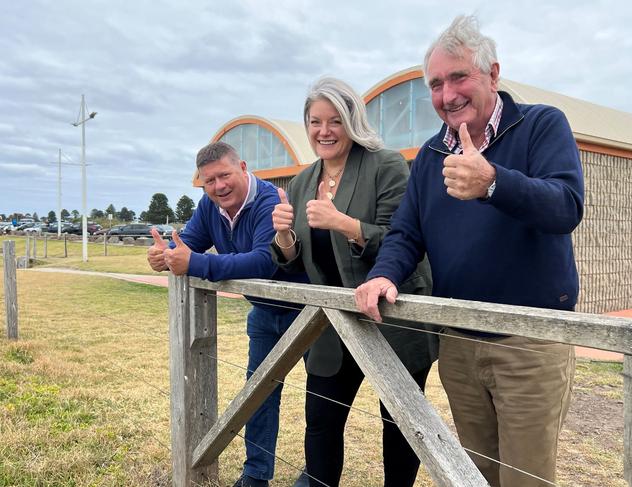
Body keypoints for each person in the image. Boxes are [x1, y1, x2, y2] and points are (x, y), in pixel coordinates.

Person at [355, 15, 584, 487]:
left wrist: (493, 182)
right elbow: (405, 234)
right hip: (458, 342)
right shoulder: (431, 156)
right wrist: (385, 275)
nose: (447, 94)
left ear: (493, 74)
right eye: (436, 84)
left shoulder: (541, 125)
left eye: (460, 76)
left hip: (529, 341)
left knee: (526, 477)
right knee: (471, 474)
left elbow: (566, 206)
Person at [271, 77, 437, 487]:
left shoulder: (387, 164)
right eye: (315, 122)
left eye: (335, 122)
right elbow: (297, 264)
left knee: (399, 427)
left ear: (352, 122)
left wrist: (345, 225)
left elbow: (404, 242)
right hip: (331, 327)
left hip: (392, 321)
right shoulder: (302, 181)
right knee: (321, 423)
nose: (324, 131)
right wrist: (285, 239)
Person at [147, 141, 308, 487]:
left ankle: (316, 475)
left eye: (224, 175)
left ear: (244, 168)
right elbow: (188, 242)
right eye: (209, 181)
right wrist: (165, 255)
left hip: (311, 312)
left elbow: (264, 262)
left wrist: (195, 262)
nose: (218, 186)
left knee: (321, 399)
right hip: (264, 312)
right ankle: (255, 475)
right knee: (259, 396)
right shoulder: (209, 206)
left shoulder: (268, 200)